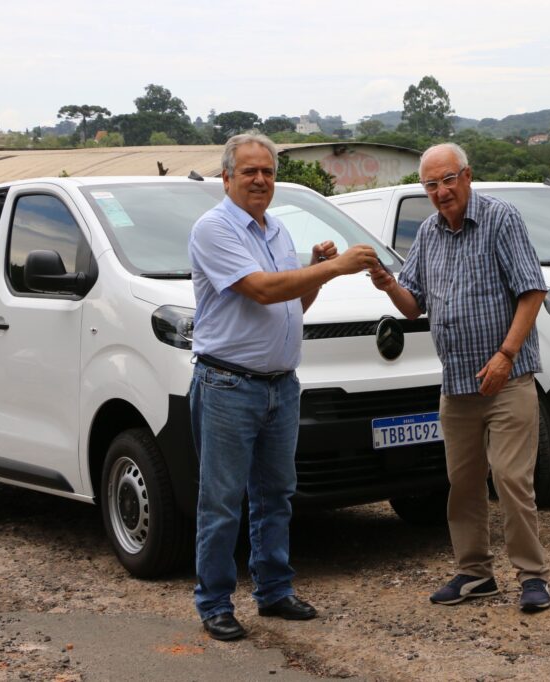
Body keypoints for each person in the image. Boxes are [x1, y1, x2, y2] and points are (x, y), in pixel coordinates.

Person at [189, 133, 378, 641]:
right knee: (223, 499)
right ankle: (214, 603)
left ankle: (273, 591)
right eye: (249, 171)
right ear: (226, 177)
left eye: (267, 172)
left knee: (276, 495)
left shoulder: (276, 232)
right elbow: (260, 290)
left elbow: (290, 308)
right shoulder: (214, 229)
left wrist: (314, 275)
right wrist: (331, 267)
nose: (259, 180)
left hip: (280, 385)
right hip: (228, 384)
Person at [368, 142, 550, 613]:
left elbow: (532, 292)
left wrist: (506, 355)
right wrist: (388, 283)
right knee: (463, 483)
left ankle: (533, 577)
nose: (441, 191)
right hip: (458, 384)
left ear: (467, 176)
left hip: (506, 378)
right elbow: (414, 303)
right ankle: (475, 574)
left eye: (448, 180)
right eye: (431, 184)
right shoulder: (428, 232)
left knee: (512, 479)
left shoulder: (500, 218)